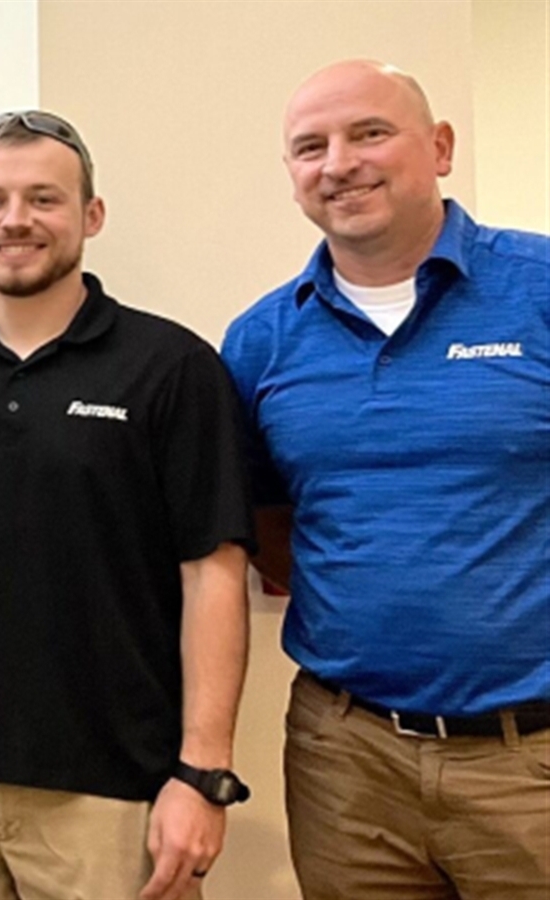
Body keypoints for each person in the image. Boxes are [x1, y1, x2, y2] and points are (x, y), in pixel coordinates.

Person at [0, 109, 254, 900]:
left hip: (113, 786)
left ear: (91, 216)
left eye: (44, 198)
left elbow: (213, 574)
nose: (15, 220)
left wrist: (203, 773)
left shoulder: (171, 367)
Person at [222, 59, 550, 899]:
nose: (339, 163)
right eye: (310, 146)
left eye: (370, 133)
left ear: (439, 147)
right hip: (346, 759)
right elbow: (265, 523)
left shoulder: (538, 290)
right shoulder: (262, 339)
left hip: (533, 761)